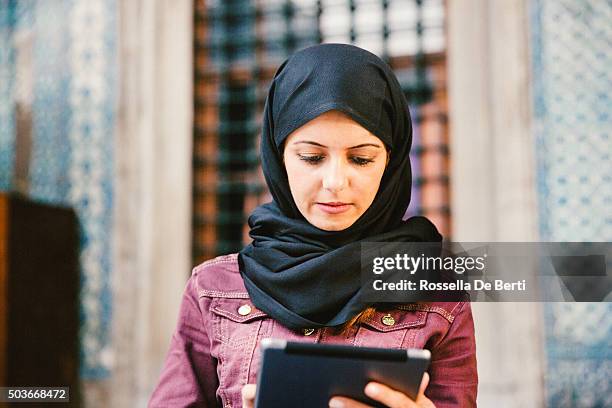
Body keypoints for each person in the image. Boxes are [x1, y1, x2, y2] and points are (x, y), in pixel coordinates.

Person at [149, 43, 477, 408]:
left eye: (361, 158)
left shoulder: (438, 294)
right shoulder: (213, 290)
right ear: (278, 155)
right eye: (312, 157)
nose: (335, 181)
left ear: (392, 161)